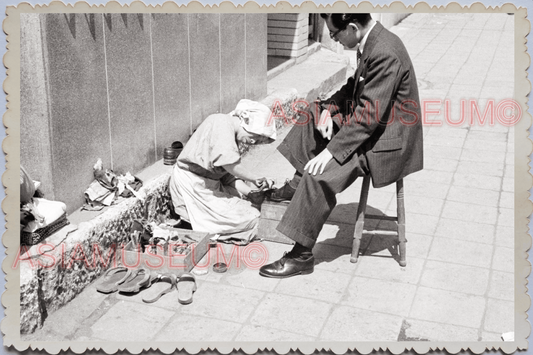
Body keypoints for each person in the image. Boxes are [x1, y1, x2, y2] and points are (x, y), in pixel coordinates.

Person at [259, 13, 424, 278]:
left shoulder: (385, 52)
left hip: (387, 142)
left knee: (320, 174)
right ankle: (295, 186)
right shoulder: (370, 41)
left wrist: (330, 152)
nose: (334, 39)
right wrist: (329, 108)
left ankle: (301, 256)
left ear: (352, 27)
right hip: (371, 126)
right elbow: (353, 87)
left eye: (335, 34)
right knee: (312, 112)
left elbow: (368, 118)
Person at [169, 99, 276, 245]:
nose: (252, 142)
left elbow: (228, 176)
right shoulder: (221, 122)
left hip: (210, 184)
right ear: (245, 121)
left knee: (252, 205)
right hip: (193, 185)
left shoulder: (230, 132)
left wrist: (252, 194)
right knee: (252, 217)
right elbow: (230, 166)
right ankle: (197, 222)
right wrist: (255, 178)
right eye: (255, 137)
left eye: (258, 141)